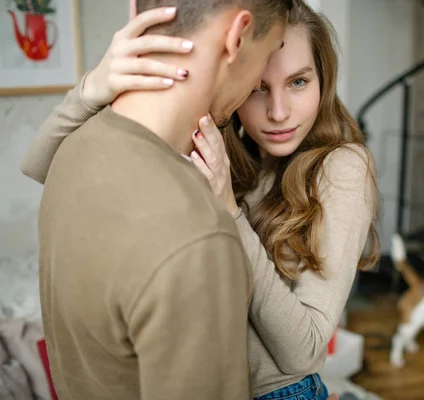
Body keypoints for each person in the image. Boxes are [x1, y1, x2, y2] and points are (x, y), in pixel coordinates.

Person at [21, 1, 379, 399]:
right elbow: (45, 166)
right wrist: (95, 86)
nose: (279, 112)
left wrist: (231, 213)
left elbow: (306, 351)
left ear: (323, 79)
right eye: (259, 87)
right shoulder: (220, 141)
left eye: (299, 82)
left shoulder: (342, 167)